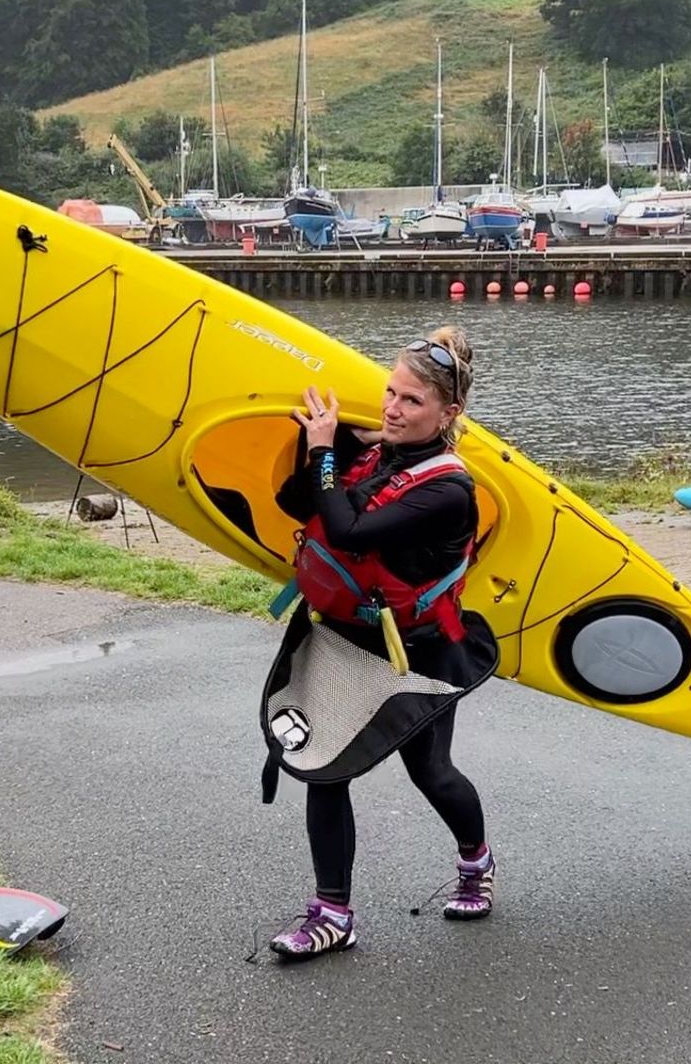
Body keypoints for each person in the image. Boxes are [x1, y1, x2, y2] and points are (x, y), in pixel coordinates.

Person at [263, 325, 500, 961]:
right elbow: (296, 502)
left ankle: (476, 861)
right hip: (346, 639)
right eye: (390, 394)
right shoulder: (377, 452)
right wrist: (335, 440)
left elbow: (347, 532)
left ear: (449, 413)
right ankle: (332, 913)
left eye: (412, 402)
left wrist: (325, 455)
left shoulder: (449, 491)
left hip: (417, 652)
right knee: (324, 767)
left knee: (431, 773)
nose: (393, 408)